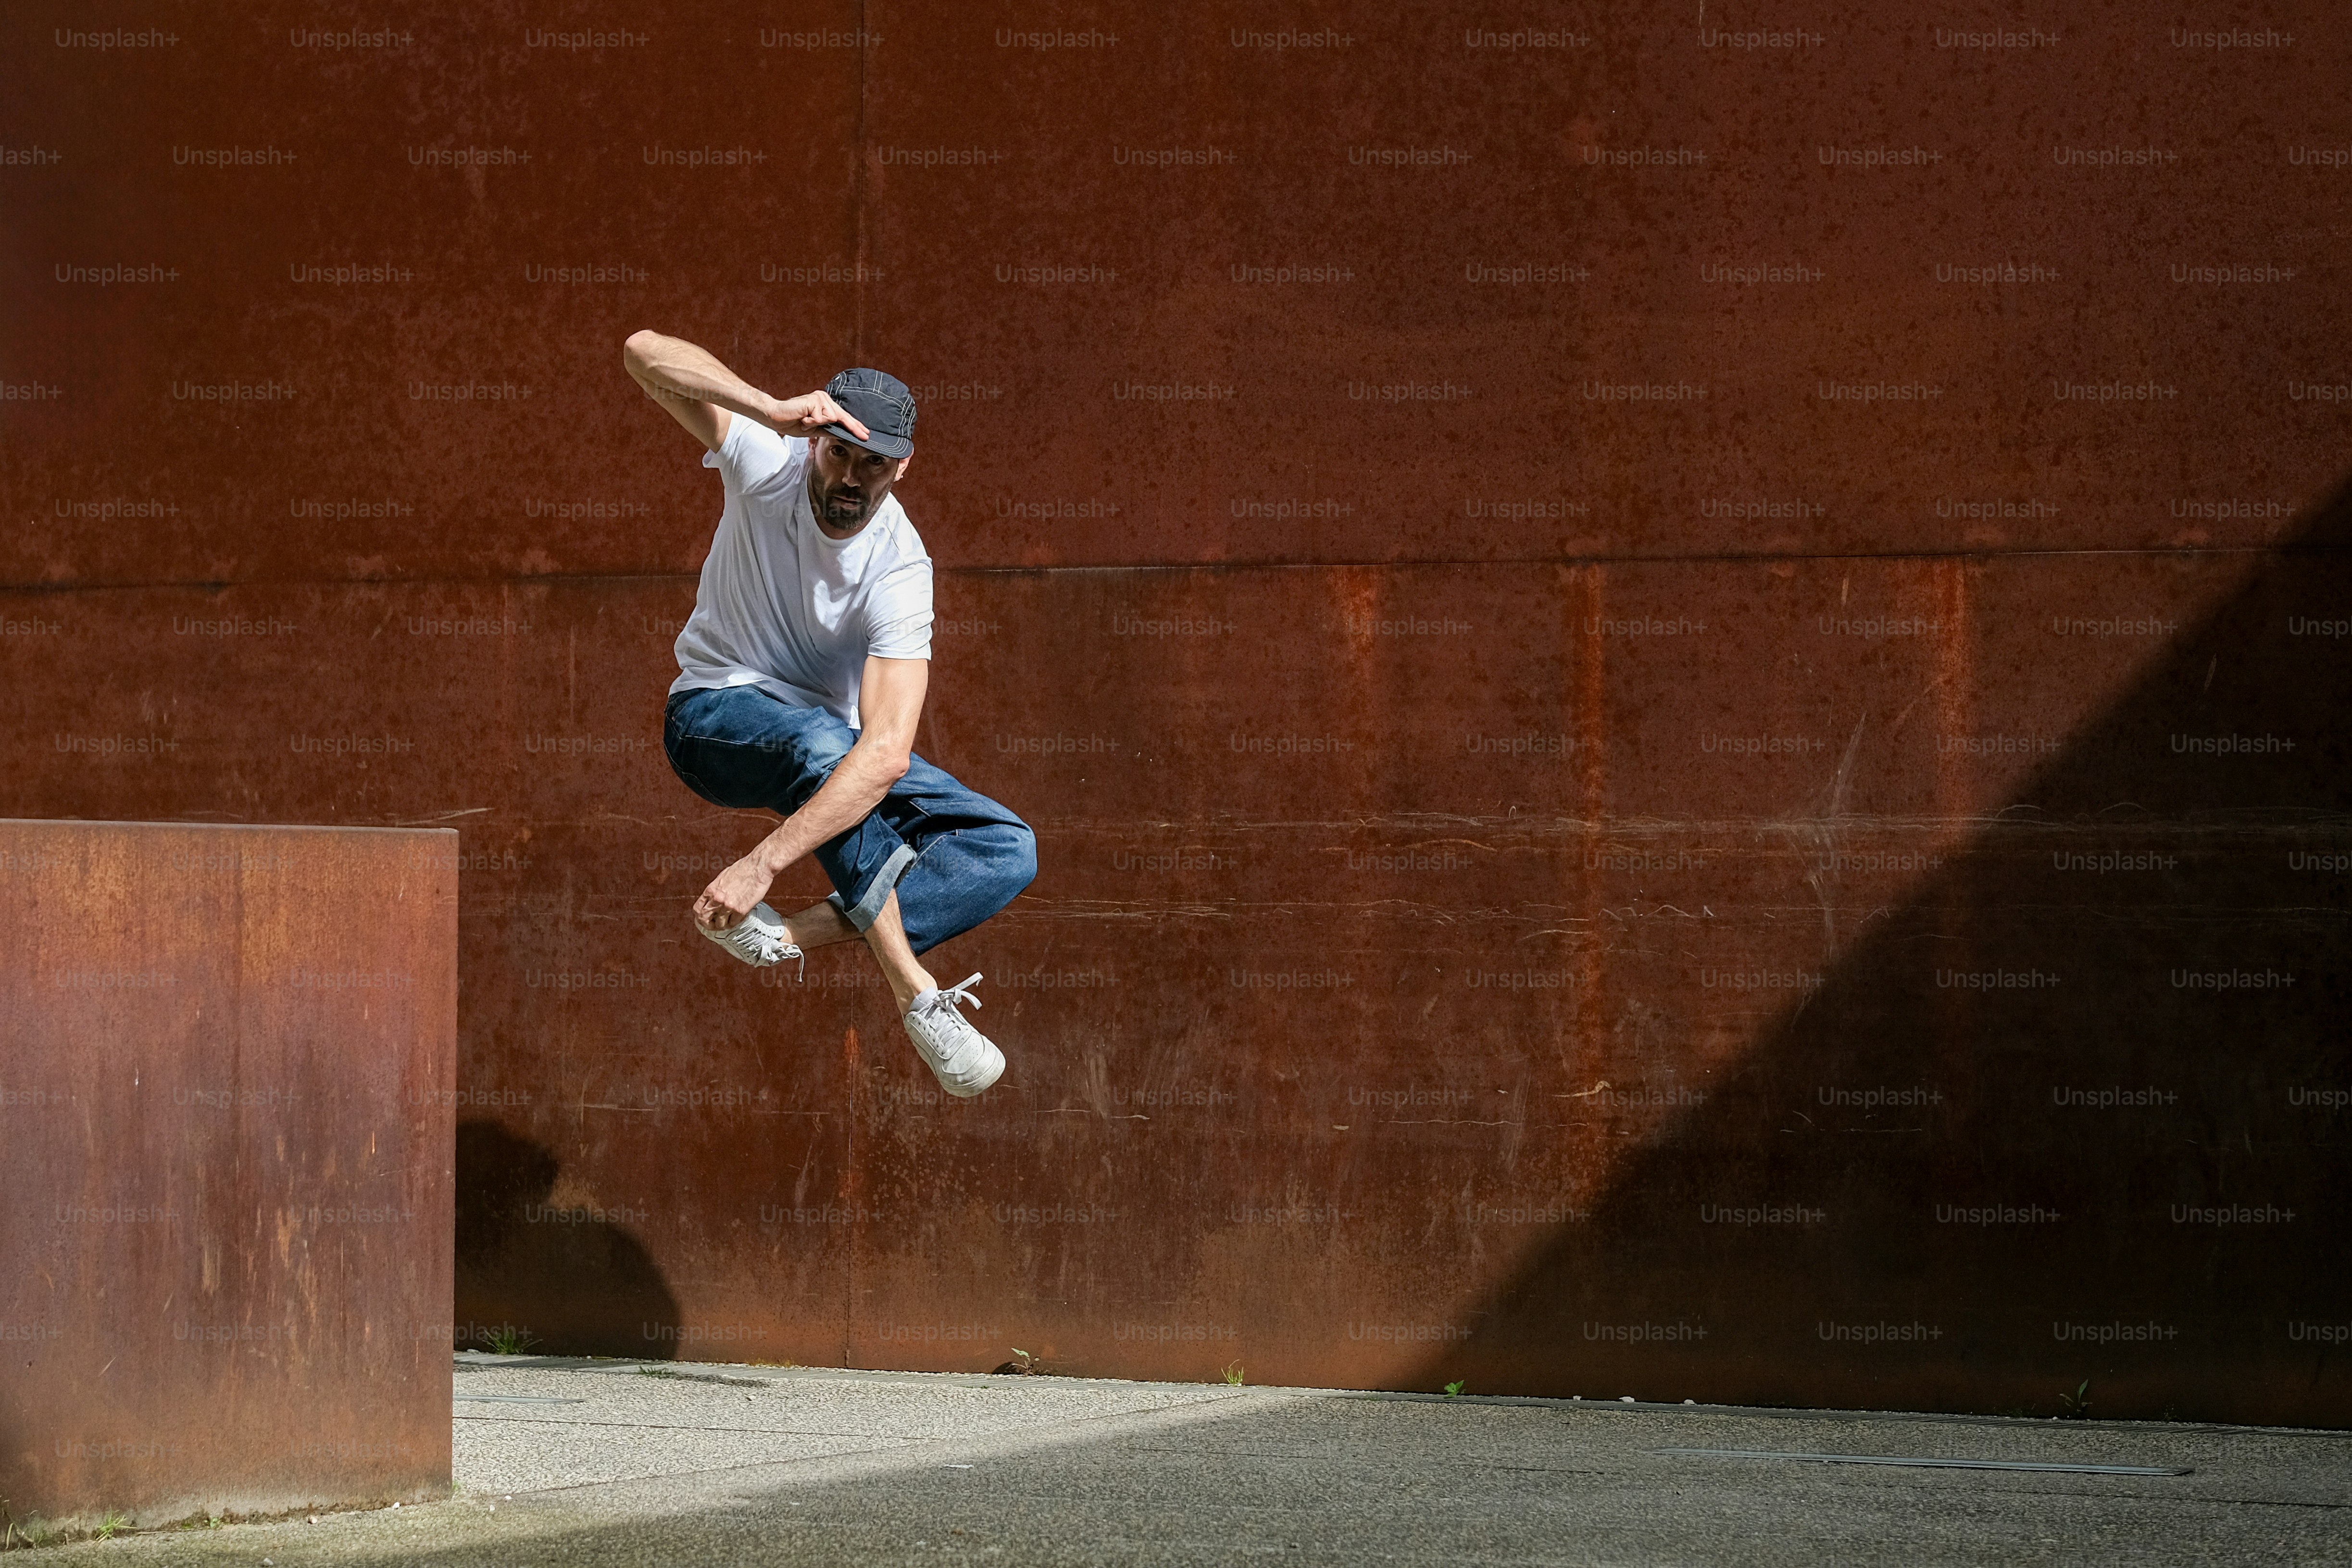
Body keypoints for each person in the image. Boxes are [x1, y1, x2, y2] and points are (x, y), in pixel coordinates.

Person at [621, 330, 1036, 1096]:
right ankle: (916, 994)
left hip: (825, 751)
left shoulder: (901, 568)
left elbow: (885, 754)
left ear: (902, 467)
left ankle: (782, 935)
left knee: (1006, 849)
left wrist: (762, 870)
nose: (850, 477)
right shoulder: (767, 462)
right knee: (828, 749)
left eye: (872, 463)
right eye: (839, 453)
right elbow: (643, 353)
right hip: (710, 720)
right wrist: (769, 409)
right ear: (815, 442)